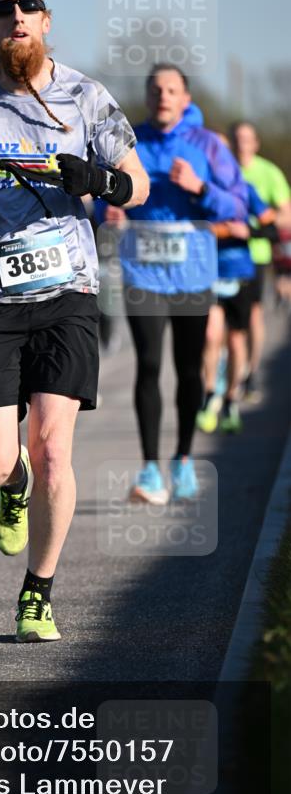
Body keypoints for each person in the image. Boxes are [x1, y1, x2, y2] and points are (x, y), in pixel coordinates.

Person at [0, 0, 148, 642]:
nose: (16, 15)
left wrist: (100, 180)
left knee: (53, 448)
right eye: (2, 9)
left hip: (66, 292)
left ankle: (37, 593)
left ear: (46, 19)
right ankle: (9, 486)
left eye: (29, 5)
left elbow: (139, 185)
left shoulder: (86, 97)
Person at [97, 66, 248, 505]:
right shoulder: (130, 142)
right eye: (156, 89)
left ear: (186, 98)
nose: (163, 95)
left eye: (172, 90)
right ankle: (149, 471)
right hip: (142, 272)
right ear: (146, 96)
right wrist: (109, 212)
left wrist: (201, 187)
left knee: (187, 370)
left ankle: (182, 459)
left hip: (193, 275)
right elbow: (101, 198)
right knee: (147, 364)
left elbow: (237, 205)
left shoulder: (208, 146)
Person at [197, 185, 278, 434]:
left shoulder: (244, 190)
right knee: (210, 335)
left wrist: (248, 230)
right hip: (208, 274)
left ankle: (231, 398)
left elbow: (272, 229)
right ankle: (210, 394)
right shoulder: (198, 188)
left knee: (235, 341)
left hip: (240, 276)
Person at [230, 121, 291, 400]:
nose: (241, 143)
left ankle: (251, 372)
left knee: (253, 316)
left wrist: (254, 228)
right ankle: (228, 373)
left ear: (255, 143)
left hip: (255, 256)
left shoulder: (268, 172)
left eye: (246, 139)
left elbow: (286, 215)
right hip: (222, 256)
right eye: (237, 138)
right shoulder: (222, 168)